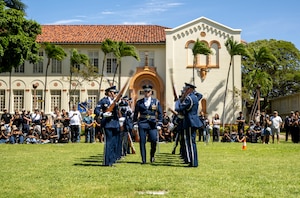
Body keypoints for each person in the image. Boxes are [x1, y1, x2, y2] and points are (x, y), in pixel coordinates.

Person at [133, 84, 163, 164]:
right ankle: (143, 159)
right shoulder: (139, 102)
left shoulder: (156, 102)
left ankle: (152, 155)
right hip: (142, 122)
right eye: (145, 91)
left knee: (154, 140)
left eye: (148, 91)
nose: (146, 93)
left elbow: (160, 113)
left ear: (151, 92)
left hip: (152, 123)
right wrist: (135, 123)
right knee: (142, 141)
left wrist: (159, 123)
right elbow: (135, 113)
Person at [175, 83, 203, 167]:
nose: (185, 90)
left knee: (190, 142)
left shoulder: (189, 98)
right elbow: (199, 95)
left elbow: (179, 108)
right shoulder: (194, 97)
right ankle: (192, 161)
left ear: (190, 89)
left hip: (190, 122)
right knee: (191, 142)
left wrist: (178, 102)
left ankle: (193, 162)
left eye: (186, 89)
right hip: (192, 121)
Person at [94, 85, 120, 166]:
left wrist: (119, 103)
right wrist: (103, 114)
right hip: (107, 124)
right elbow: (96, 110)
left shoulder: (117, 101)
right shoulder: (104, 101)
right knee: (109, 143)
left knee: (114, 143)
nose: (115, 94)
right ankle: (107, 162)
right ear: (109, 93)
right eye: (113, 92)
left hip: (115, 123)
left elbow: (122, 108)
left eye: (116, 93)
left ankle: (112, 160)